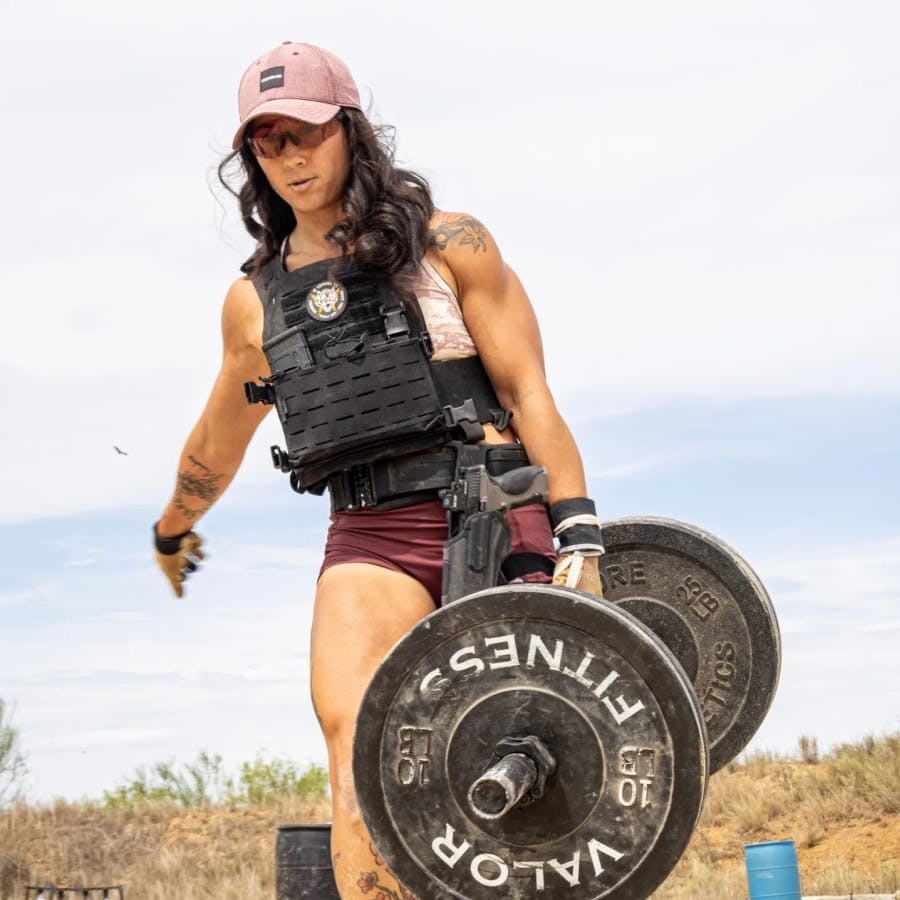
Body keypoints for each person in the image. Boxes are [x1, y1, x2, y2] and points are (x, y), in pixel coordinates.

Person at [153, 41, 605, 898]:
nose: (289, 157)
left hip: (496, 508)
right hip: (371, 535)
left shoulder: (451, 245)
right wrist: (175, 525)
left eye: (307, 134)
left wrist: (580, 533)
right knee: (362, 742)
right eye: (268, 141)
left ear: (351, 131)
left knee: (522, 749)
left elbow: (530, 393)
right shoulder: (256, 303)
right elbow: (220, 435)